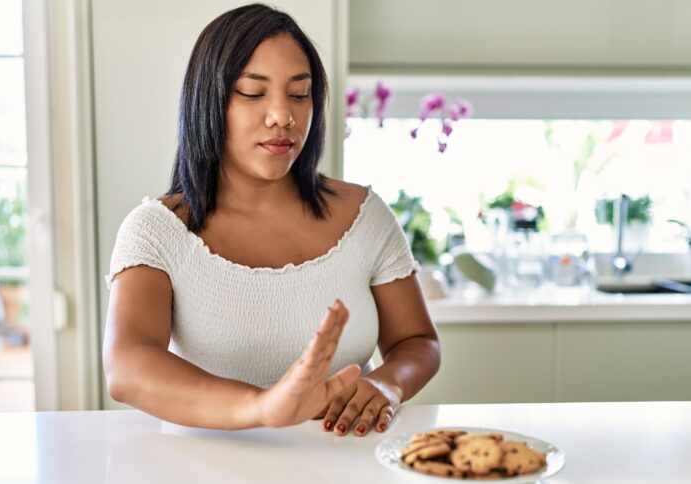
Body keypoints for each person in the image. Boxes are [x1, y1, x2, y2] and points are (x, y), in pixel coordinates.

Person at [103, 3, 440, 437]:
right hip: (203, 467)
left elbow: (418, 342)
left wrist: (388, 385)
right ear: (209, 100)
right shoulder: (155, 230)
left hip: (349, 464)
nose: (284, 115)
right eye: (253, 91)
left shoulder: (364, 215)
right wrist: (263, 406)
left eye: (300, 94)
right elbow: (127, 366)